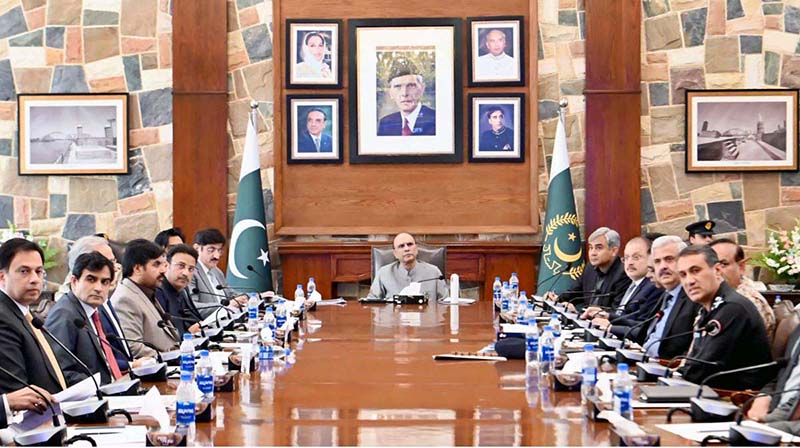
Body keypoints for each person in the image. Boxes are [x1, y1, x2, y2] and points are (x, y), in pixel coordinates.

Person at [677, 245, 773, 390]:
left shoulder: (732, 308)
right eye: (683, 275)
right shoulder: (710, 308)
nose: (689, 281)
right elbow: (695, 363)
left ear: (717, 270)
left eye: (695, 271)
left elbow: (703, 369)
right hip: (709, 392)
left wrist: (674, 377)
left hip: (736, 399)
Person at [0, 239, 66, 394]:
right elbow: (17, 391)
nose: (34, 279)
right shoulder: (3, 319)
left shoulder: (28, 316)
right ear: (2, 277)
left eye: (38, 271)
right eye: (24, 271)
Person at [45, 252, 119, 386]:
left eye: (105, 282)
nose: (98, 288)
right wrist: (99, 388)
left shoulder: (95, 310)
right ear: (74, 281)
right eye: (91, 279)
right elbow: (61, 371)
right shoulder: (64, 315)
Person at [111, 239, 180, 358]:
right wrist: (172, 357)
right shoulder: (125, 299)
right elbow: (134, 347)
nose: (163, 270)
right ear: (137, 269)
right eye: (156, 264)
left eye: (163, 264)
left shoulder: (148, 290)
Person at [581, 237, 663, 336]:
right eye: (627, 258)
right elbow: (624, 316)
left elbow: (642, 326)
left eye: (636, 257)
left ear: (651, 258)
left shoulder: (653, 287)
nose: (630, 262)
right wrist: (606, 315)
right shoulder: (632, 283)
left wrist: (611, 327)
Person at [639, 236, 700, 359]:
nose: (663, 266)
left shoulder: (693, 297)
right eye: (657, 261)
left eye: (669, 259)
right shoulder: (667, 294)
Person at [547, 227, 631, 311]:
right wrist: (556, 299)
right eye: (591, 248)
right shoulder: (589, 268)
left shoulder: (623, 274)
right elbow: (574, 293)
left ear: (614, 251)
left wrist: (577, 312)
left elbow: (616, 312)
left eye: (598, 248)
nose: (593, 253)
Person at [709, 238, 775, 340]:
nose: (717, 271)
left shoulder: (747, 302)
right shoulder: (719, 296)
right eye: (711, 265)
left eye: (723, 264)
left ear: (741, 267)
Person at [366, 233, 447, 301]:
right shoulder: (383, 273)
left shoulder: (434, 272)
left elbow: (445, 303)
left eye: (410, 244)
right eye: (401, 246)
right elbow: (372, 302)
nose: (407, 249)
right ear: (395, 253)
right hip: (393, 319)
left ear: (416, 248)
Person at [189, 228, 246, 317]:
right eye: (211, 250)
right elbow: (193, 306)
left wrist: (256, 296)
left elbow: (231, 294)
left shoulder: (217, 271)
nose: (217, 256)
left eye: (219, 250)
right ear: (197, 249)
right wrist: (225, 306)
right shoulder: (192, 272)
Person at [377, 58, 436, 136]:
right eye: (398, 86)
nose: (404, 93)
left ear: (422, 89)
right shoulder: (386, 123)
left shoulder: (436, 120)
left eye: (411, 86)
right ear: (390, 93)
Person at [156, 244, 204, 336]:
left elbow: (194, 320)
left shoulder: (183, 290)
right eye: (181, 266)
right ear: (167, 265)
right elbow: (167, 336)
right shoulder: (159, 292)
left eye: (191, 269)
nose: (186, 273)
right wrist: (189, 334)